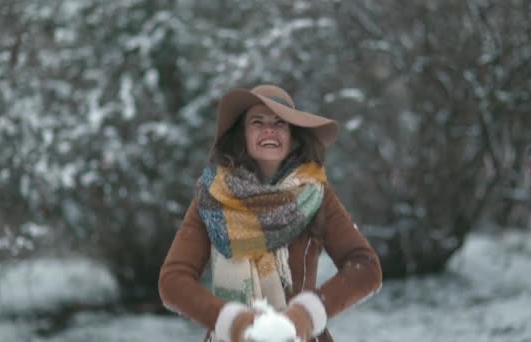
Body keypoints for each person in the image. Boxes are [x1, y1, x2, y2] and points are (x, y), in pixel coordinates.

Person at [158, 84, 382, 342]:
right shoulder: (212, 199)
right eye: (258, 122)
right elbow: (172, 281)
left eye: (280, 123)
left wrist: (308, 313)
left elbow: (366, 267)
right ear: (242, 135)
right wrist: (230, 320)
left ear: (293, 136)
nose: (269, 130)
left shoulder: (316, 195)